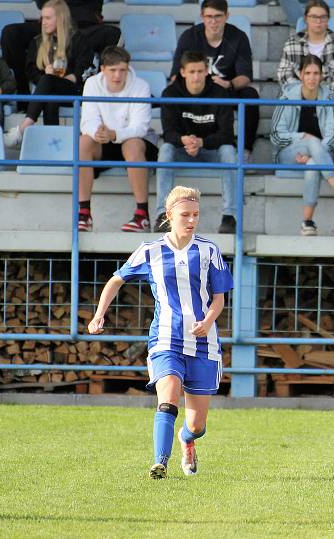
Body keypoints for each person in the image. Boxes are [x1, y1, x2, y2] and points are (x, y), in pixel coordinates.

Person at [88, 185, 234, 480]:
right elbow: (116, 280)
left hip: (204, 343)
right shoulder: (150, 251)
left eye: (196, 215)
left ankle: (187, 440)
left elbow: (219, 298)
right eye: (185, 215)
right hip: (165, 339)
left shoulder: (209, 250)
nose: (191, 220)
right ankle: (160, 463)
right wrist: (98, 314)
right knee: (167, 397)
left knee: (197, 423)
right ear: (169, 215)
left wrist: (207, 321)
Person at [272, 56, 334, 236]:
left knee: (312, 164)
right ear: (300, 74)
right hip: (289, 154)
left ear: (322, 75)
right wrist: (303, 138)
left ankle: (307, 222)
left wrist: (314, 153)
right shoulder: (287, 97)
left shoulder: (329, 97)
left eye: (316, 73)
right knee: (311, 141)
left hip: (319, 157)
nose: (312, 78)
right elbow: (277, 136)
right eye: (308, 73)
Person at [77, 46, 159, 233]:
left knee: (132, 145)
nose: (117, 75)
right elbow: (87, 120)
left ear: (128, 69)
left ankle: (142, 215)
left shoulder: (141, 86)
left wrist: (114, 134)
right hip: (104, 140)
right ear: (103, 69)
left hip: (135, 141)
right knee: (84, 143)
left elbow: (140, 127)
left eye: (122, 70)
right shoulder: (91, 83)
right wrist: (97, 132)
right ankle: (84, 214)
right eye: (113, 70)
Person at [156, 51, 238, 235]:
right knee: (166, 150)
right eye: (192, 72)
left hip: (210, 150)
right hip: (182, 149)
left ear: (207, 71)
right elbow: (169, 133)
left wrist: (201, 142)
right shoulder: (170, 93)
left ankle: (229, 216)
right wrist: (183, 140)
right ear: (183, 72)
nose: (196, 76)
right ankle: (162, 215)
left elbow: (226, 135)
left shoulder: (219, 93)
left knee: (229, 152)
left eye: (200, 71)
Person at [170, 0, 260, 159]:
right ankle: (183, 143)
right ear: (202, 16)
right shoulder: (190, 37)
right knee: (170, 93)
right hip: (196, 89)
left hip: (225, 90)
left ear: (227, 16)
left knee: (250, 95)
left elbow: (245, 76)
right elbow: (176, 75)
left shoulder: (238, 37)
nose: (213, 21)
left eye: (218, 16)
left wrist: (229, 84)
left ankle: (245, 151)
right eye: (209, 16)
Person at [3, 0, 94, 147]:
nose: (43, 22)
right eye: (42, 18)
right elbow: (31, 71)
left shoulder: (79, 40)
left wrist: (68, 77)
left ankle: (23, 127)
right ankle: (54, 145)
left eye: (48, 18)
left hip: (73, 90)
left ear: (60, 18)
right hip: (48, 91)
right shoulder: (38, 41)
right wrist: (45, 76)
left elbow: (84, 70)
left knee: (49, 81)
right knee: (50, 99)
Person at [0, 0, 120, 107]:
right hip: (54, 22)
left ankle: (95, 95)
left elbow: (95, 5)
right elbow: (41, 3)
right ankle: (23, 92)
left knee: (113, 34)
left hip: (84, 25)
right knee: (10, 33)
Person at [276, 0, 334, 99]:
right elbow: (284, 75)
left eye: (323, 17)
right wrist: (305, 92)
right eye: (313, 17)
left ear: (328, 19)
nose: (318, 21)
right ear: (306, 19)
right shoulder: (292, 43)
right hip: (298, 97)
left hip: (330, 98)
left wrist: (320, 93)